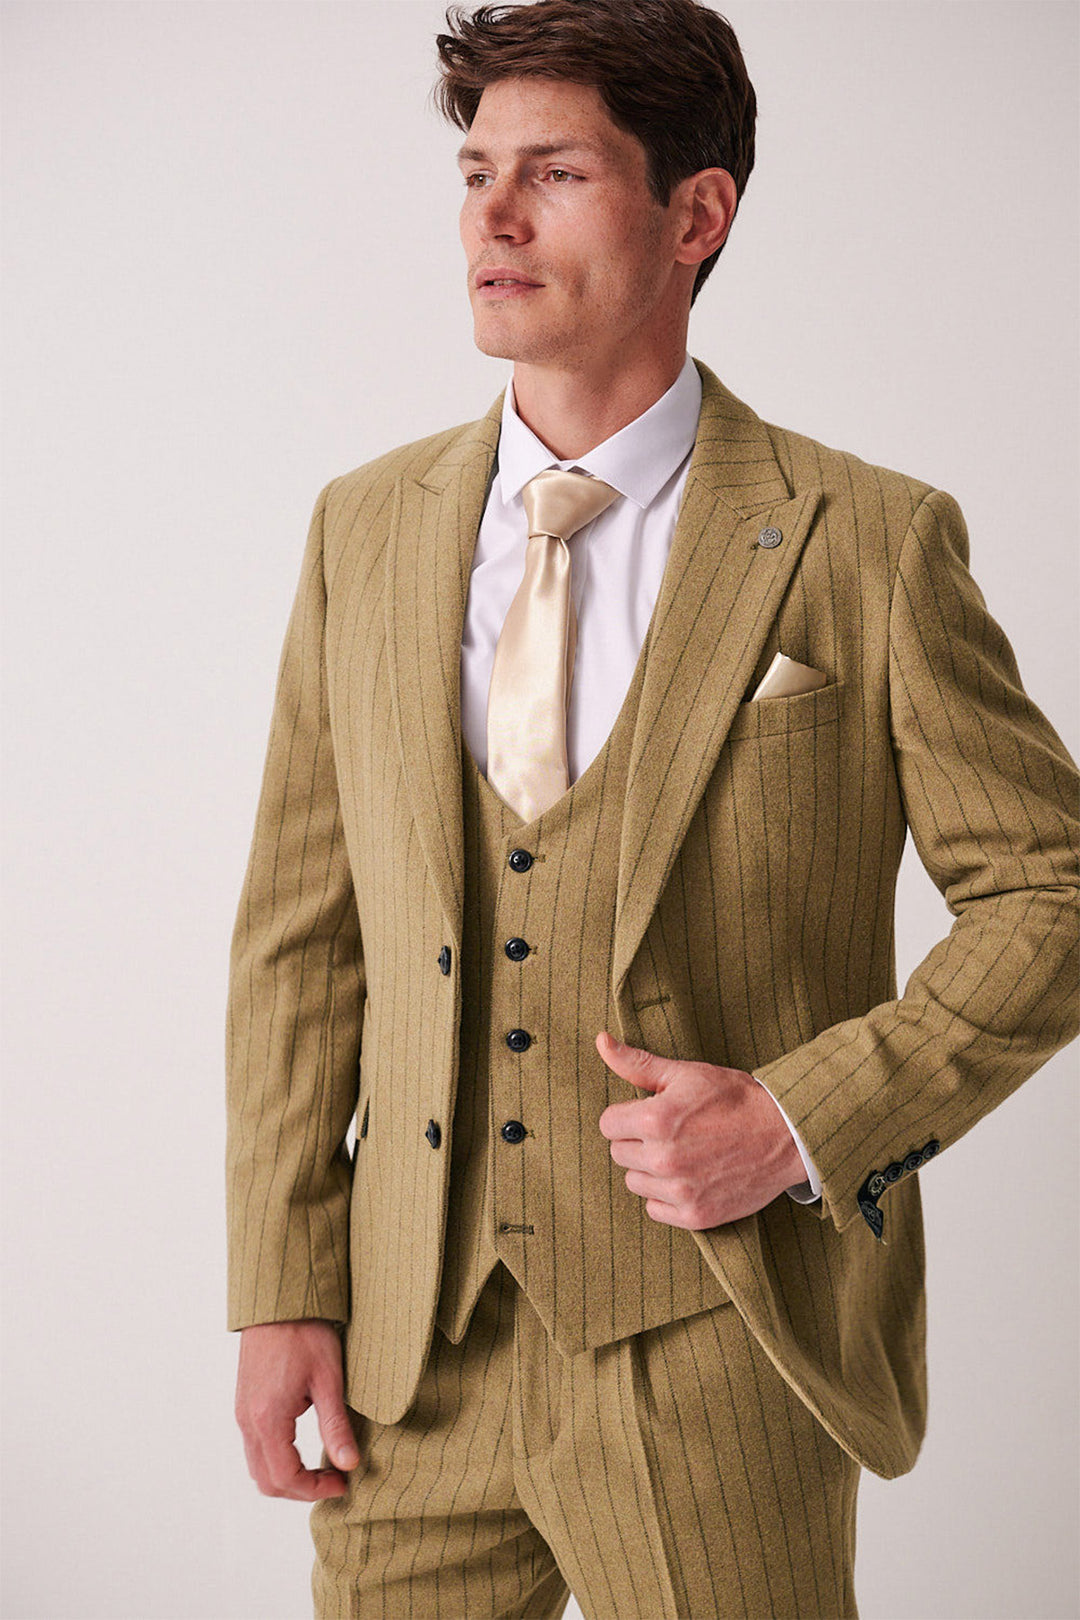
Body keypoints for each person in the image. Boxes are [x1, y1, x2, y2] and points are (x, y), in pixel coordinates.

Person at [226, 2, 1079, 1615]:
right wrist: (282, 1288)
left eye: (551, 170)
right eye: (475, 171)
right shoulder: (364, 530)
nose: (491, 215)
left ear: (698, 215)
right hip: (419, 1355)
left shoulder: (865, 541)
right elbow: (300, 938)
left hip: (720, 1343)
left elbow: (1050, 893)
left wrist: (805, 1117)